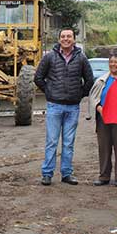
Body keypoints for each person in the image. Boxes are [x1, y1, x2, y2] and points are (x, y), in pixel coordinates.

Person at [34, 28, 94, 186]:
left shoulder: (81, 58)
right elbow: (38, 77)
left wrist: (79, 95)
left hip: (73, 107)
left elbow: (89, 80)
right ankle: (47, 174)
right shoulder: (49, 57)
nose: (66, 39)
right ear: (59, 39)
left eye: (69, 36)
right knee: (52, 141)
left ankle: (67, 174)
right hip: (54, 105)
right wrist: (49, 92)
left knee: (68, 142)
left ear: (74, 39)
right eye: (63, 36)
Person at [86, 51, 117, 187]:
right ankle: (104, 176)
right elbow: (93, 97)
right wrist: (99, 108)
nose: (113, 65)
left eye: (116, 62)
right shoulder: (102, 79)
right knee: (104, 147)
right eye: (111, 62)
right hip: (103, 118)